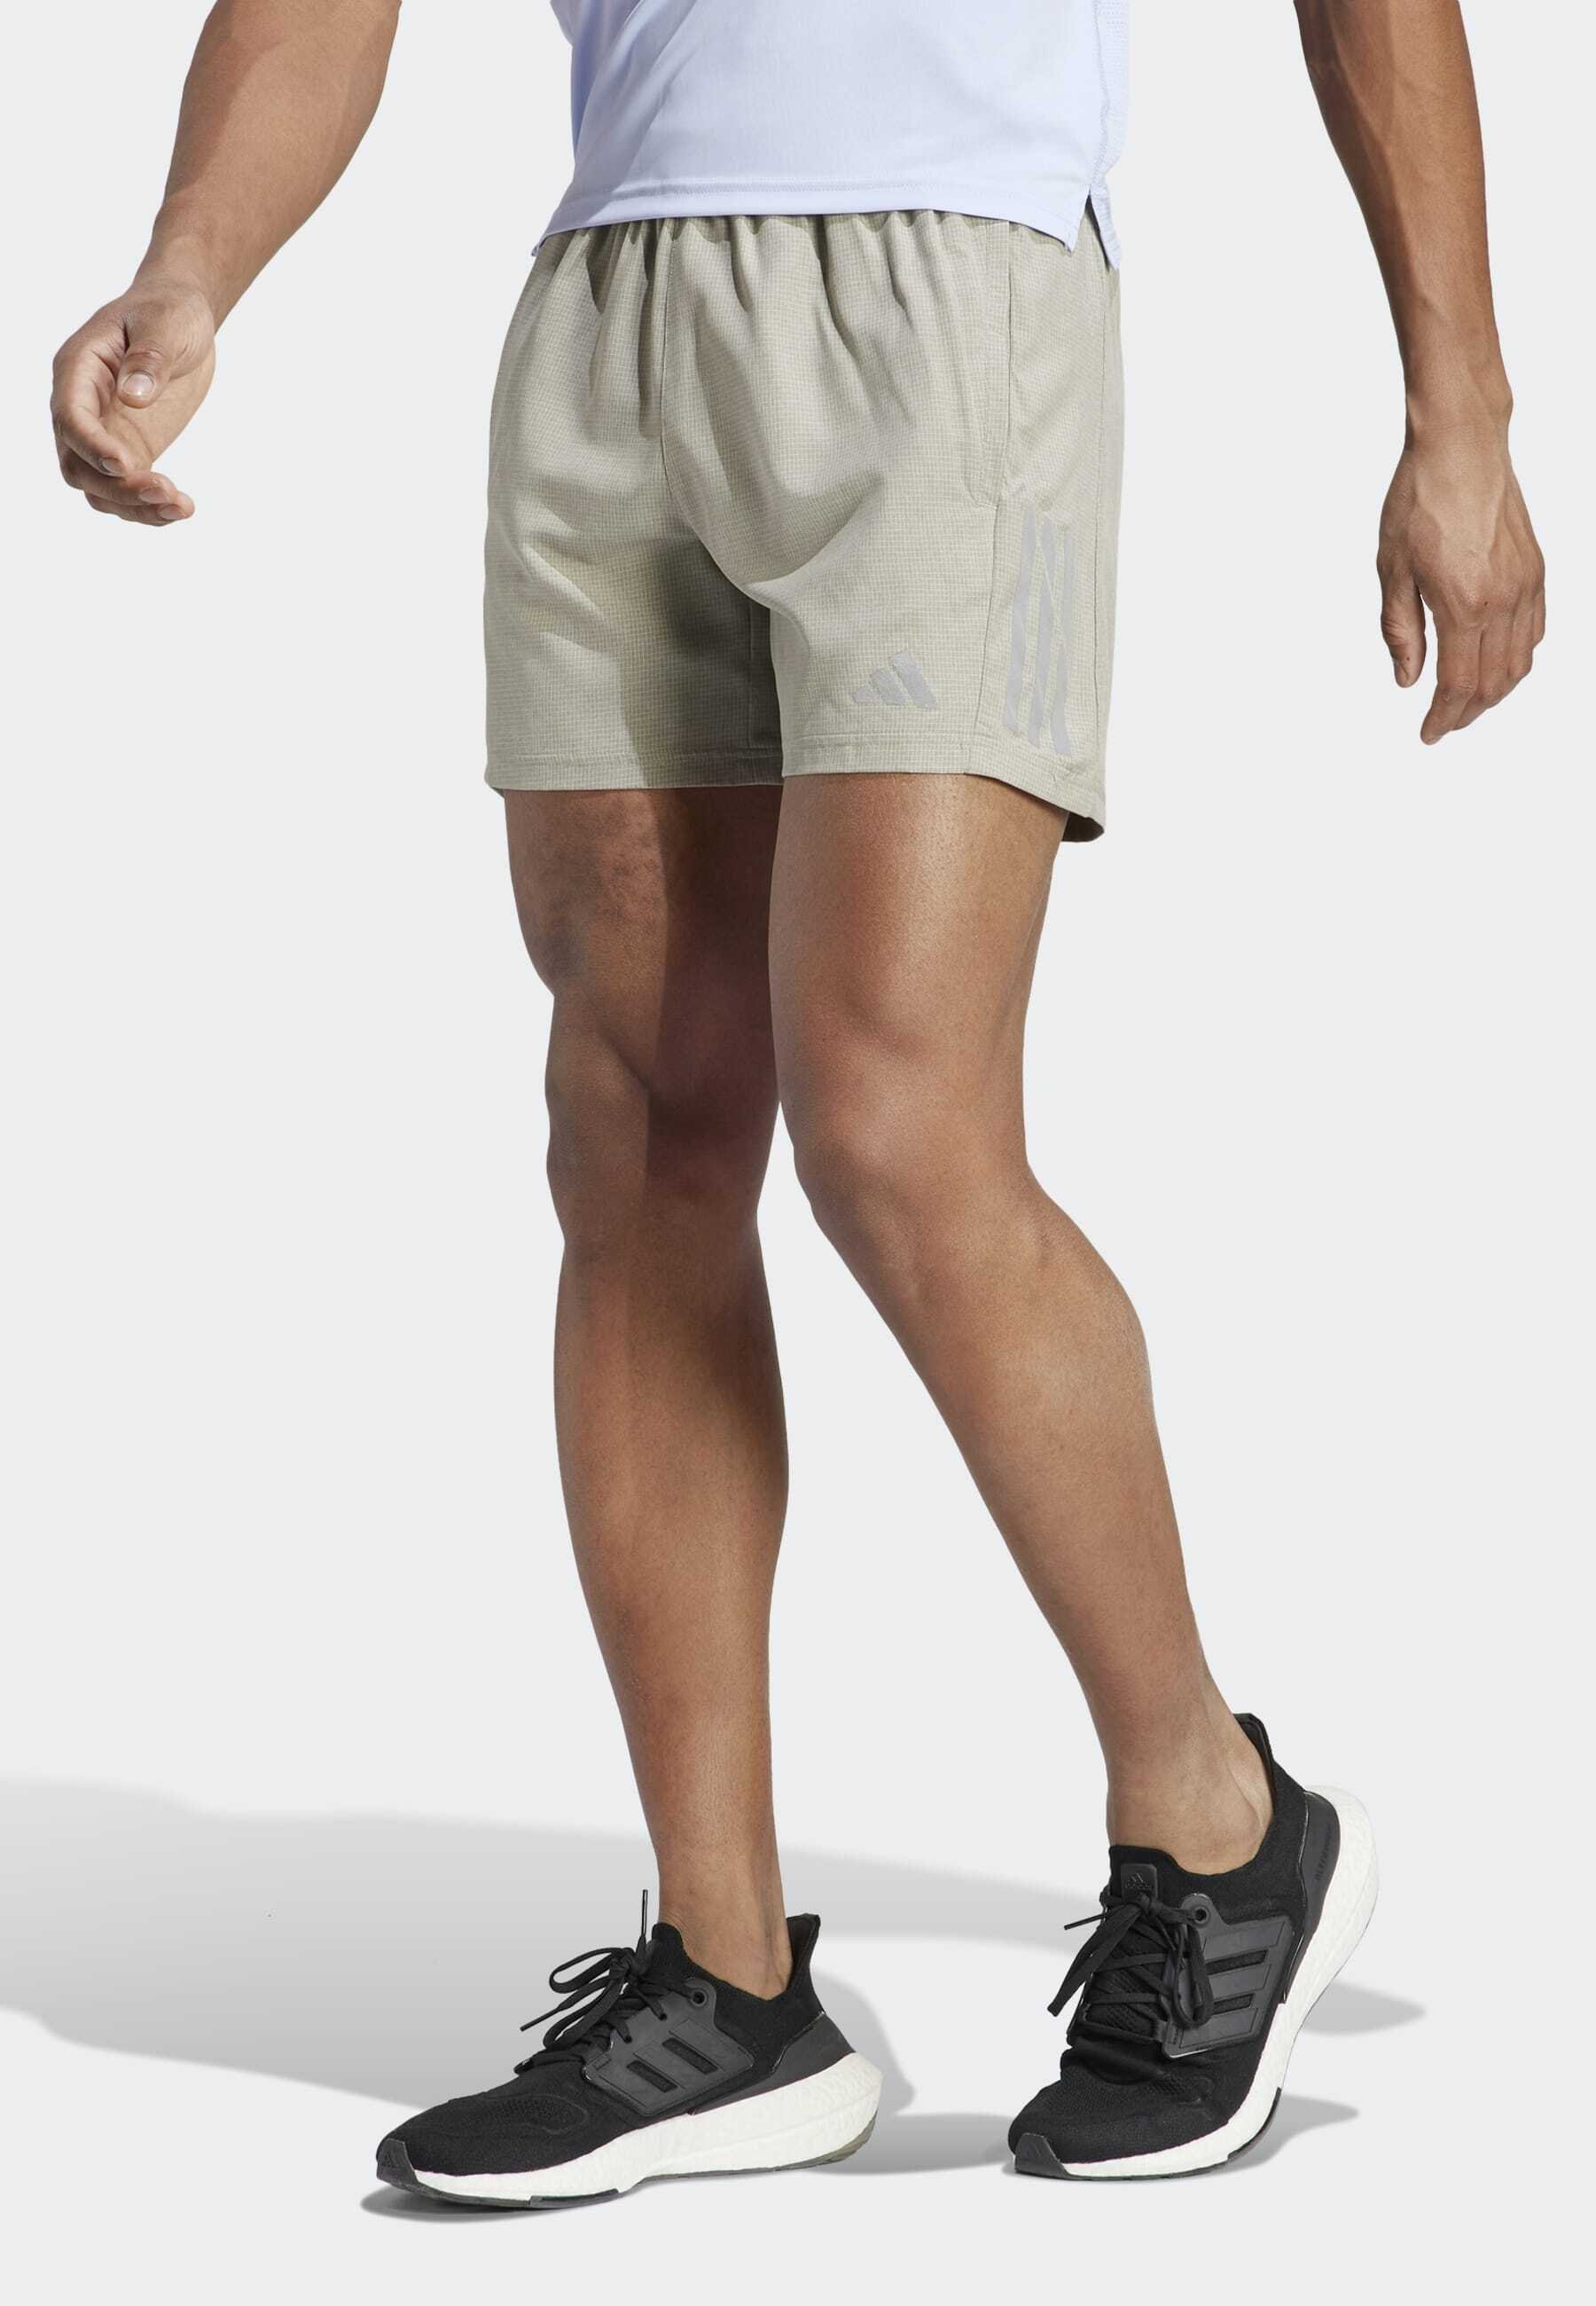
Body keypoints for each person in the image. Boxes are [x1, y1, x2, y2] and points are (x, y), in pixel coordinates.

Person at [51, 0, 1543, 2198]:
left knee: (896, 1124)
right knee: (638, 1126)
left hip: (958, 279)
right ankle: (727, 1981)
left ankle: (1221, 1824)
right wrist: (192, 262)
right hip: (613, 306)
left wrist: (1459, 404)